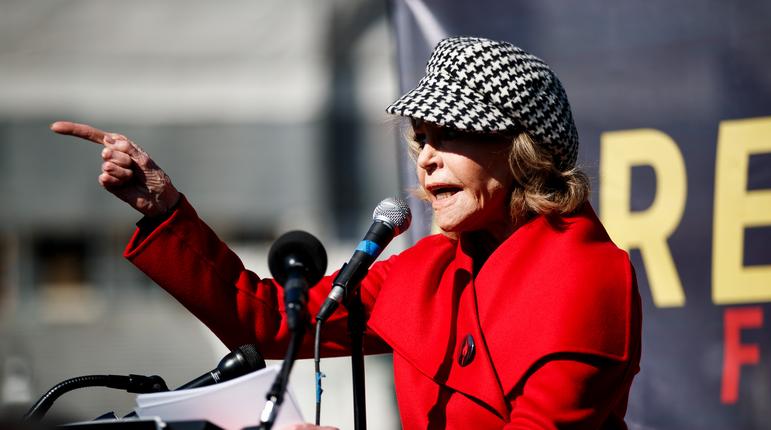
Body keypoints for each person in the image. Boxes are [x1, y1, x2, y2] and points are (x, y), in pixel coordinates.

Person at [52, 37, 641, 429]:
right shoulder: (426, 268)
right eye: (422, 135)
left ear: (523, 154)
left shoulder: (584, 272)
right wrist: (165, 210)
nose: (427, 156)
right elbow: (270, 321)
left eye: (452, 133)